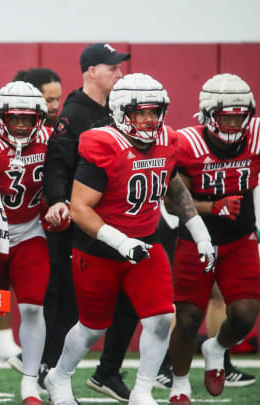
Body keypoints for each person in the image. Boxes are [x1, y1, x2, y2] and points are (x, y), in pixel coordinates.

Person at [44, 73, 216, 405]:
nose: (150, 119)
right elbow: (80, 208)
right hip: (99, 249)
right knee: (92, 327)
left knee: (161, 317)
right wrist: (122, 243)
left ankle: (142, 391)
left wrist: (199, 231)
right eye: (142, 112)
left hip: (146, 243)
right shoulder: (104, 144)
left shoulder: (167, 140)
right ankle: (59, 376)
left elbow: (171, 185)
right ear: (122, 111)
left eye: (155, 111)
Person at [42, 42, 135, 401]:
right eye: (112, 68)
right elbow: (57, 164)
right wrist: (59, 201)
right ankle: (50, 370)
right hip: (83, 221)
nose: (119, 73)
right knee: (69, 301)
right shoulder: (75, 113)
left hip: (119, 221)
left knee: (129, 298)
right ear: (91, 71)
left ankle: (108, 370)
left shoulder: (120, 107)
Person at [168, 73, 260, 404]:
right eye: (227, 116)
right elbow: (173, 200)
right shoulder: (187, 142)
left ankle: (216, 347)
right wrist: (214, 206)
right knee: (188, 318)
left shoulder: (256, 137)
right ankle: (179, 384)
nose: (235, 123)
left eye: (240, 115)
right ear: (209, 114)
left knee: (247, 313)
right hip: (196, 238)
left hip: (239, 238)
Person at [0, 81, 52, 405]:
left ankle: (30, 384)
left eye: (27, 119)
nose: (20, 125)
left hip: (30, 232)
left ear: (38, 119)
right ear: (1, 117)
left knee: (32, 307)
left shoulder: (48, 142)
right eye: (14, 119)